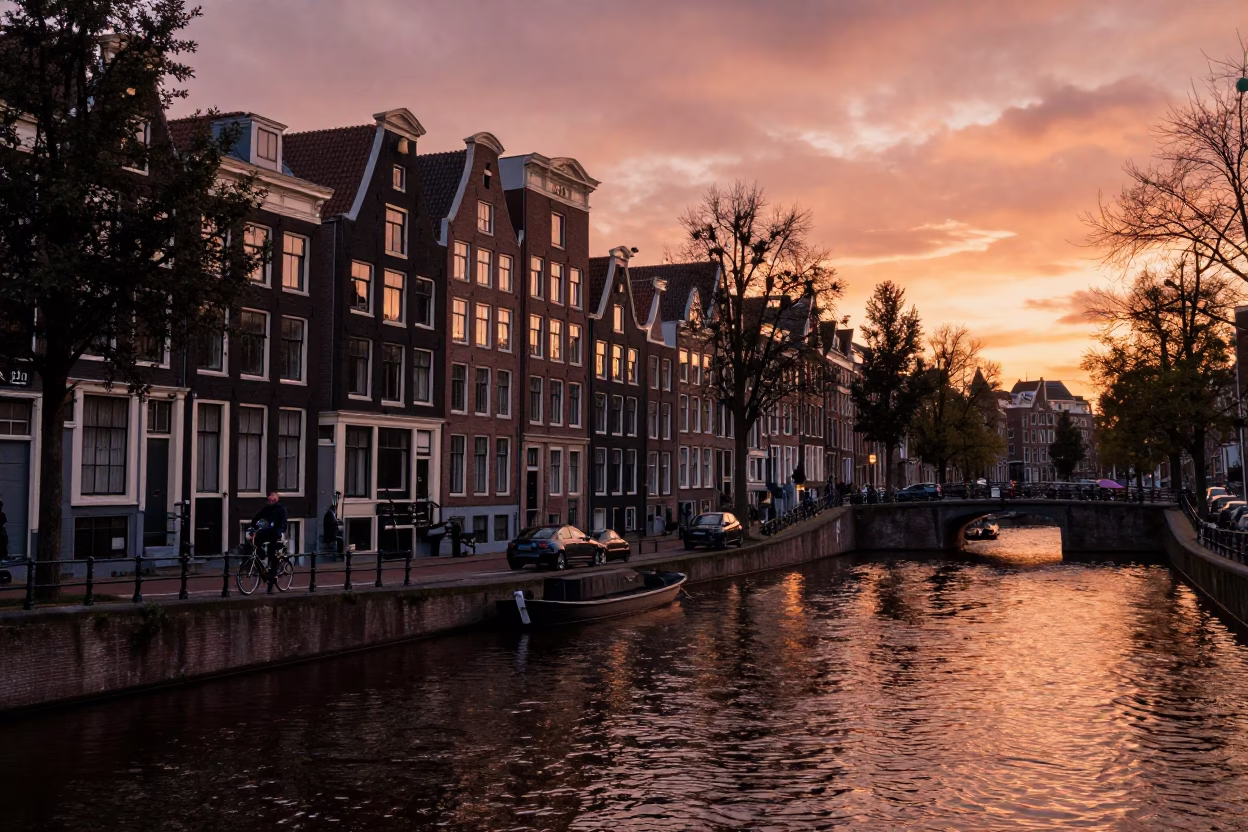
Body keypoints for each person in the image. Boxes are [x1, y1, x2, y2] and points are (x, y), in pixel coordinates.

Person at [251, 491, 288, 574]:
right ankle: (260, 561)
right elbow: (256, 518)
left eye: (270, 499)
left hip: (276, 534)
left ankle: (273, 570)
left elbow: (283, 523)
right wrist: (253, 527)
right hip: (267, 532)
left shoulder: (281, 509)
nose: (268, 501)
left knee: (272, 549)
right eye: (268, 500)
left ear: (275, 500)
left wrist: (279, 531)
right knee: (255, 543)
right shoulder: (266, 509)